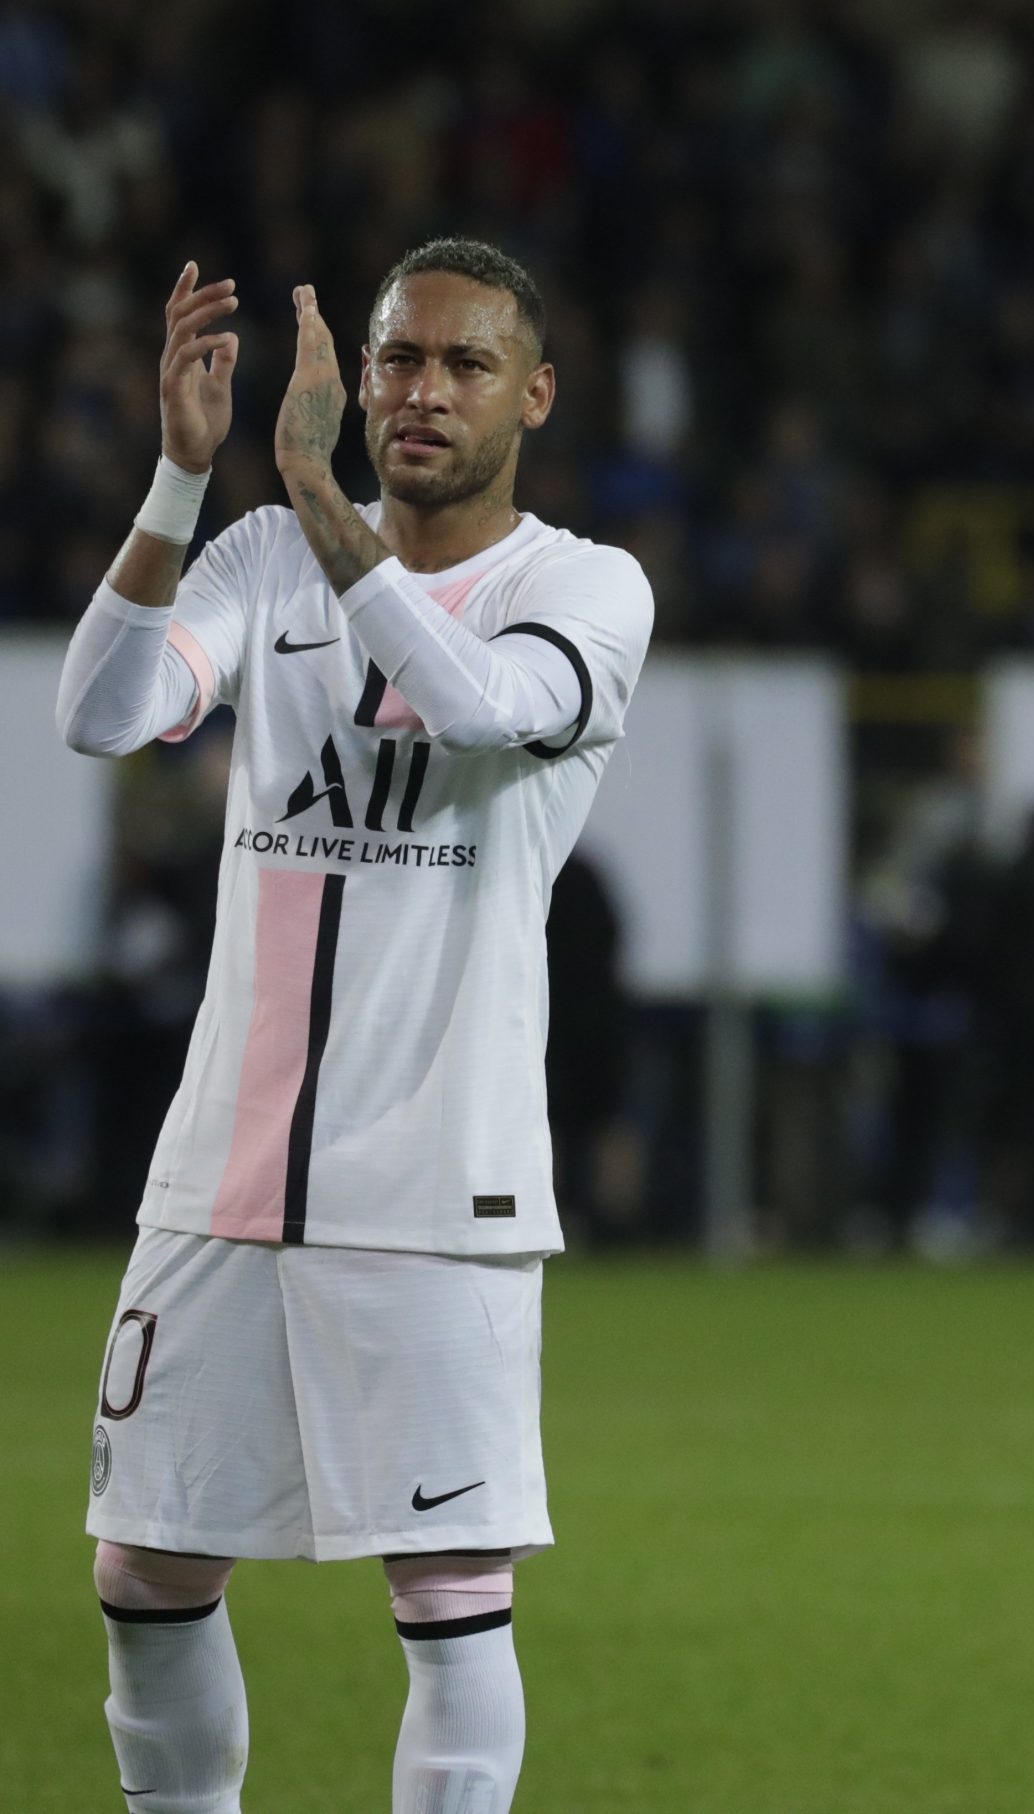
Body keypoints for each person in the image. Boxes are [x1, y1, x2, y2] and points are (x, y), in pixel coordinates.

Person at [56, 239, 653, 1814]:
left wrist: (321, 496)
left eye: (464, 364)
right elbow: (101, 713)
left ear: (534, 394)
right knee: (143, 1569)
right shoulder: (261, 556)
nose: (420, 391)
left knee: (448, 1600)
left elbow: (472, 705)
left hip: (436, 1189)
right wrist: (182, 480)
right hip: (220, 1175)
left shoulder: (585, 589)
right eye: (397, 358)